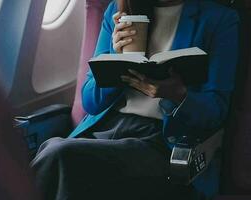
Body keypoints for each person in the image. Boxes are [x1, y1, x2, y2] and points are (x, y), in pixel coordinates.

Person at [31, 0, 239, 199]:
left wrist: (177, 94)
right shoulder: (119, 10)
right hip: (106, 128)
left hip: (162, 141)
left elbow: (216, 111)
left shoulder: (219, 19)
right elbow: (91, 103)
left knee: (60, 154)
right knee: (56, 153)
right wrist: (116, 56)